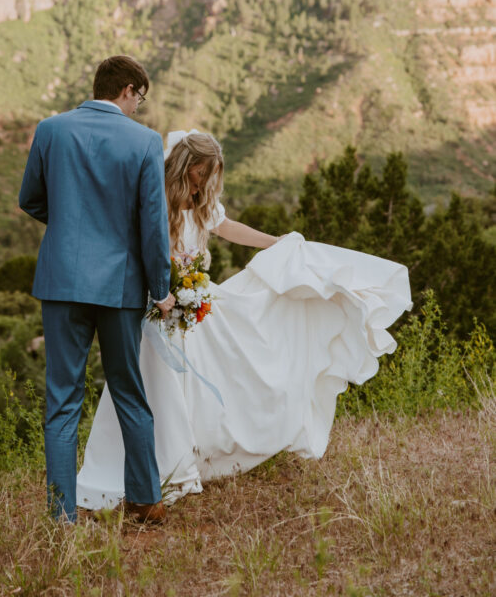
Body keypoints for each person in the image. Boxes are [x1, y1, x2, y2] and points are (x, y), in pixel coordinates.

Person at [77, 130, 412, 510]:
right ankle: (157, 466)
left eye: (209, 174)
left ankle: (200, 454)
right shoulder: (153, 192)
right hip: (159, 303)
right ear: (186, 166)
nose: (203, 182)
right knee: (156, 382)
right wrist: (167, 286)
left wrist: (276, 242)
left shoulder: (200, 201)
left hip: (191, 299)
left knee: (240, 351)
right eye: (201, 172)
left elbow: (226, 227)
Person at [19, 55, 175, 524]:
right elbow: (154, 228)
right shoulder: (146, 142)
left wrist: (69, 225)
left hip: (62, 283)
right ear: (127, 89)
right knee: (129, 391)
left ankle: (61, 517)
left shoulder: (51, 129)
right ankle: (144, 501)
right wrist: (162, 288)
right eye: (139, 98)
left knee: (62, 400)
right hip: (119, 286)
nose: (138, 108)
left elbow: (30, 199)